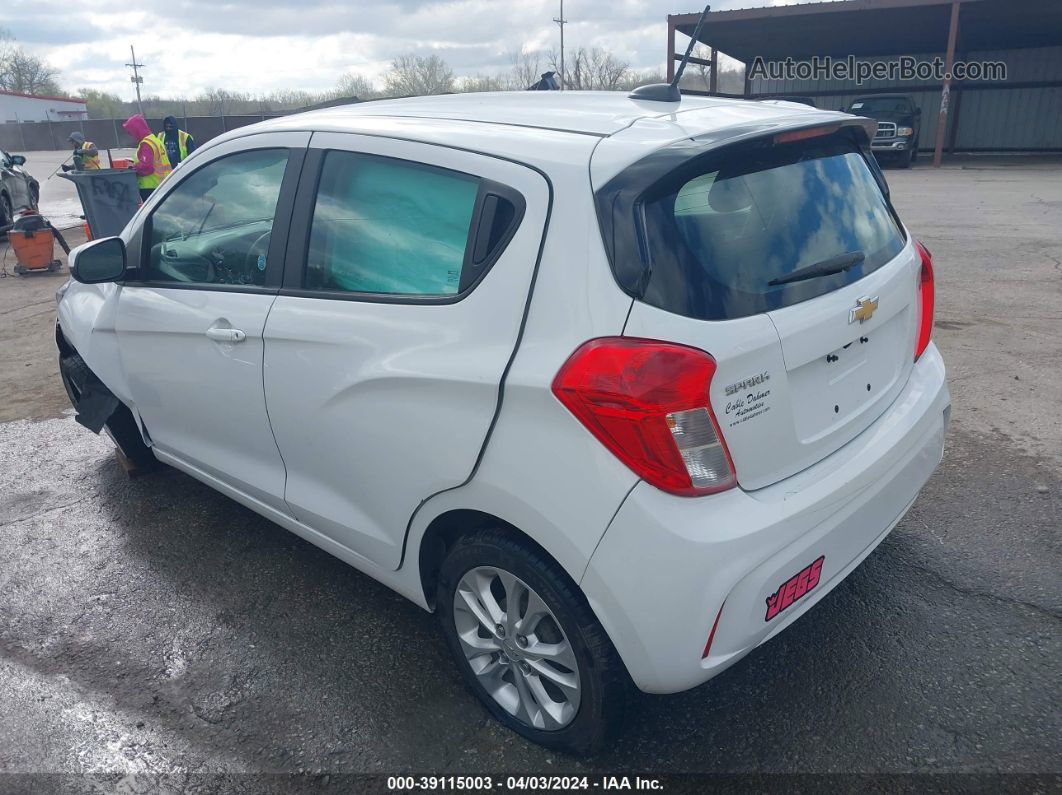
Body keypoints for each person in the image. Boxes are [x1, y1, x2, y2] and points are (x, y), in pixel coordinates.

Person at [122, 114, 171, 200]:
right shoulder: (155, 140)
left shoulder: (146, 144)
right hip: (162, 183)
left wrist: (133, 168)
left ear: (136, 130)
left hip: (150, 186)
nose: (131, 135)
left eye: (131, 132)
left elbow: (146, 167)